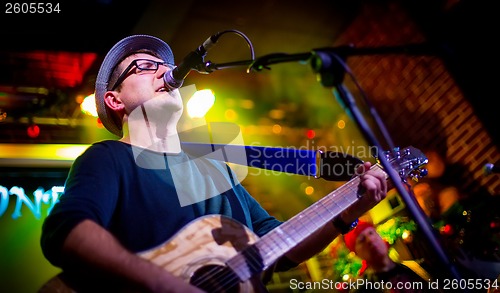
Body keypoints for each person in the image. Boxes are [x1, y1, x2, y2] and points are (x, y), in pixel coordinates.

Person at [39, 34, 388, 293]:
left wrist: (347, 210)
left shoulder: (216, 166)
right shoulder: (107, 158)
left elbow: (278, 248)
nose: (166, 72)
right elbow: (66, 231)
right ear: (115, 100)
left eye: (166, 65)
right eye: (145, 66)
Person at [344, 220, 439, 293]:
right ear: (356, 254)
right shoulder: (363, 290)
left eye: (371, 233)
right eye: (362, 239)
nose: (370, 240)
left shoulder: (419, 267)